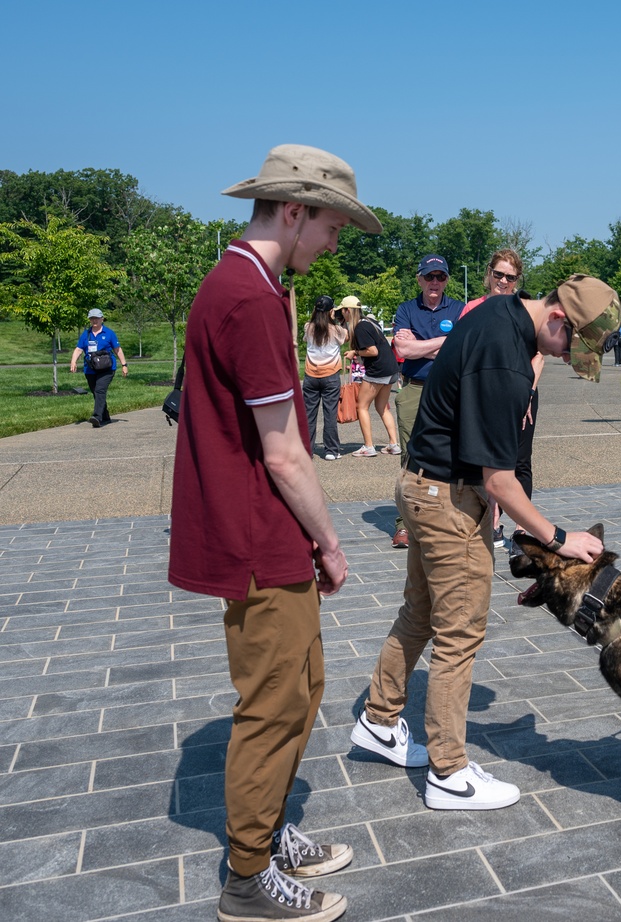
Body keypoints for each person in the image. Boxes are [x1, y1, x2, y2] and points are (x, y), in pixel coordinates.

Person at [168, 144, 382, 922]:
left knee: (302, 687)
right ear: (293, 211)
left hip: (264, 532)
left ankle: (271, 829)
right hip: (260, 533)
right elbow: (285, 449)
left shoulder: (250, 284)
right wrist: (329, 540)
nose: (333, 244)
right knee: (272, 703)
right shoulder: (251, 299)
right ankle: (248, 878)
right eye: (331, 226)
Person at [350, 274, 618, 811]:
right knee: (461, 631)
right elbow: (498, 480)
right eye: (573, 346)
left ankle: (379, 720)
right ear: (559, 319)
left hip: (425, 485)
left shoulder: (497, 319)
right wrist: (559, 538)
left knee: (421, 612)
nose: (569, 359)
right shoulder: (506, 357)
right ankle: (449, 772)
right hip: (446, 498)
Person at [459, 249, 540, 548]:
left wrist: (526, 397)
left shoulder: (524, 310)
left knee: (520, 463)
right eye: (499, 274)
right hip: (483, 397)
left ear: (517, 280)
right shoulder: (472, 309)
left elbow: (538, 357)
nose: (503, 281)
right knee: (487, 462)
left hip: (522, 393)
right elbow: (462, 356)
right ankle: (491, 524)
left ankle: (522, 529)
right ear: (488, 274)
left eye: (510, 277)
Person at [388, 255, 465, 548]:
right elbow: (404, 350)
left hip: (449, 391)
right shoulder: (407, 308)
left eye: (440, 277)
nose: (435, 282)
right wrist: (444, 343)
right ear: (419, 279)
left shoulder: (459, 309)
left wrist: (420, 345)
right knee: (410, 456)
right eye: (429, 276)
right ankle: (405, 524)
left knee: (452, 454)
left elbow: (461, 349)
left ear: (446, 280)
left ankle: (447, 518)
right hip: (414, 389)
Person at [340, 300, 401, 457]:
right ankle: (394, 444)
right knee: (382, 407)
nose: (342, 313)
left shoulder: (360, 327)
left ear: (348, 310)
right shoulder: (370, 321)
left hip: (378, 370)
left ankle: (368, 446)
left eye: (342, 310)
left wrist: (356, 353)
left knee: (362, 406)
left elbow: (372, 351)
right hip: (391, 368)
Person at [302, 294, 348, 460]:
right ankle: (331, 450)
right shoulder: (336, 330)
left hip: (310, 376)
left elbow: (306, 339)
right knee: (330, 414)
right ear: (331, 312)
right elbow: (346, 337)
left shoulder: (308, 327)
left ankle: (307, 450)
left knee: (309, 414)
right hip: (331, 376)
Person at [69, 308, 129, 427]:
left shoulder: (109, 333)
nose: (94, 320)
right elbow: (79, 349)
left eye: (96, 318)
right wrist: (73, 362)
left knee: (100, 390)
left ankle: (97, 416)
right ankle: (105, 416)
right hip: (90, 369)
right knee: (96, 393)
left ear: (102, 319)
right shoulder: (86, 334)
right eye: (92, 318)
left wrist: (124, 364)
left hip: (107, 369)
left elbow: (117, 349)